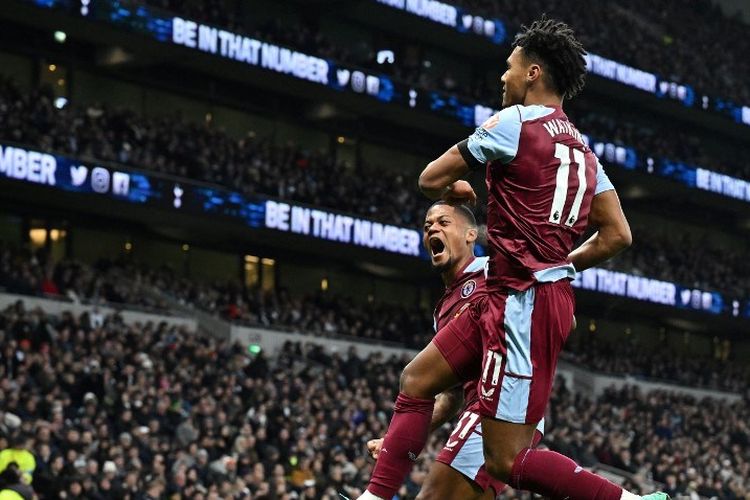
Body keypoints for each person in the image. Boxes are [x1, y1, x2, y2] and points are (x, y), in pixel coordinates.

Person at [357, 17, 665, 500]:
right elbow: (617, 234)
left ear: (533, 72)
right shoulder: (586, 153)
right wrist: (563, 264)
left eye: (510, 66)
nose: (503, 77)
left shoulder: (514, 122)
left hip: (522, 303)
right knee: (416, 380)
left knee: (506, 458)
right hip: (520, 295)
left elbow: (428, 179)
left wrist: (456, 189)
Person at [365, 201, 544, 499]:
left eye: (444, 222)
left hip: (504, 403)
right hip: (484, 408)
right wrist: (395, 439)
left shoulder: (493, 271)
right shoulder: (443, 312)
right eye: (427, 226)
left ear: (471, 235)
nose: (432, 228)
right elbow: (450, 396)